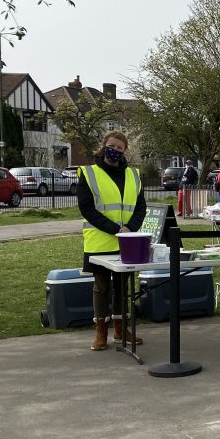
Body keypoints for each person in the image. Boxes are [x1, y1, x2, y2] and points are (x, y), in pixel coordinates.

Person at [77, 131, 147, 351]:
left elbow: (140, 207)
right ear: (103, 146)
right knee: (101, 287)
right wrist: (115, 229)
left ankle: (120, 329)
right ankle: (100, 332)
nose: (115, 151)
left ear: (124, 151)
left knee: (122, 287)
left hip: (126, 241)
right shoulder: (89, 173)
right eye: (112, 146)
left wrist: (130, 229)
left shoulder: (134, 175)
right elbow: (87, 208)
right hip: (100, 240)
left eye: (120, 148)